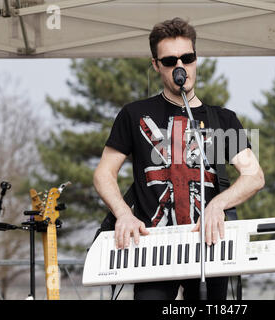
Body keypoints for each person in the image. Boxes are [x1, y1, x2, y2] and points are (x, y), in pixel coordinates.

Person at [93, 17, 265, 300]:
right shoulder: (133, 114)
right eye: (170, 60)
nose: (180, 66)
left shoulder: (222, 119)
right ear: (156, 65)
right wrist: (124, 214)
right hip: (154, 247)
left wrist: (218, 204)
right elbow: (103, 174)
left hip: (209, 244)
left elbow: (254, 176)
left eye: (187, 57)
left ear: (196, 59)